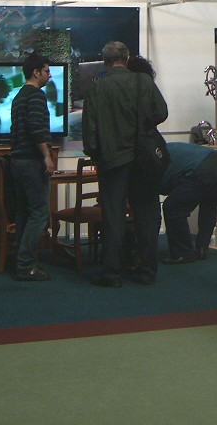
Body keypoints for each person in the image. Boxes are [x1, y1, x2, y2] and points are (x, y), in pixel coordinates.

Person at [82, 41, 168, 286]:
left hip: (112, 161)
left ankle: (112, 274)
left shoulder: (97, 87)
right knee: (147, 215)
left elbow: (90, 129)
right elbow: (161, 112)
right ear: (127, 58)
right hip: (143, 159)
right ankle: (147, 271)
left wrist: (95, 154)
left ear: (105, 61)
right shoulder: (143, 81)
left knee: (113, 217)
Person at [9, 52, 57, 282]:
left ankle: (20, 260)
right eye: (47, 71)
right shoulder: (37, 95)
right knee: (39, 213)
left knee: (23, 213)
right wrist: (47, 156)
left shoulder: (18, 96)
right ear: (36, 72)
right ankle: (26, 264)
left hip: (17, 161)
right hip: (31, 162)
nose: (50, 75)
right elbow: (36, 127)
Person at [158, 141, 217, 264]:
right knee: (209, 207)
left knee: (173, 209)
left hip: (203, 168)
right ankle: (201, 249)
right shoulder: (162, 149)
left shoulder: (150, 160)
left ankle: (183, 253)